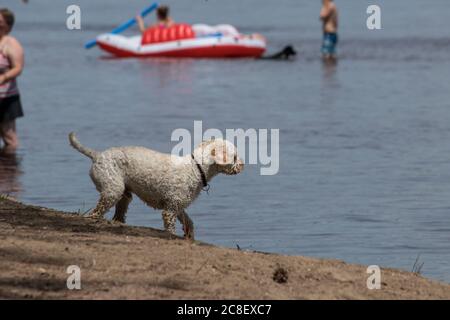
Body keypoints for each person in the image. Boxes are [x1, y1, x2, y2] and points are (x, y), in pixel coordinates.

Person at [0, 8, 24, 152]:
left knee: (9, 137)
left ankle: (11, 171)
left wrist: (4, 77)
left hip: (5, 98)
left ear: (7, 25)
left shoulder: (11, 43)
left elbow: (18, 68)